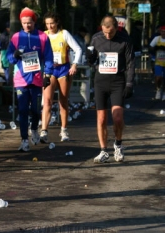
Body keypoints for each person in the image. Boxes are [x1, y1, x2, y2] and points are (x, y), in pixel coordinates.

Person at [86, 15, 135, 163]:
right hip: (100, 81)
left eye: (111, 33)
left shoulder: (124, 39)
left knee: (118, 117)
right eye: (105, 32)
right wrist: (89, 57)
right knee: (101, 119)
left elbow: (130, 64)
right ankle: (103, 151)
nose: (108, 36)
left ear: (116, 28)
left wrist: (129, 84)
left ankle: (118, 145)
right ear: (101, 28)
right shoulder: (96, 38)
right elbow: (91, 61)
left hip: (117, 82)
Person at [6, 8, 54, 151]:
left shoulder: (42, 37)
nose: (27, 25)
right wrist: (14, 55)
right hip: (21, 79)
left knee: (35, 109)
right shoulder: (15, 37)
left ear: (34, 22)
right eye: (24, 23)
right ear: (21, 22)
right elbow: (9, 58)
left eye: (30, 23)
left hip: (37, 79)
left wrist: (48, 74)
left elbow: (49, 57)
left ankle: (34, 129)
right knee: (22, 110)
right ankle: (24, 140)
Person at [40, 12, 82, 143]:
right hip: (49, 70)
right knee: (47, 101)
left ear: (57, 22)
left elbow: (78, 49)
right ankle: (44, 131)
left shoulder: (64, 34)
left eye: (52, 23)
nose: (50, 26)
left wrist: (75, 64)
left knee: (63, 101)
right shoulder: (43, 35)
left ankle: (64, 130)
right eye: (47, 24)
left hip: (63, 69)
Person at [149, 26, 165, 100]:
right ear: (160, 32)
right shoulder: (157, 38)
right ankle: (158, 90)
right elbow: (151, 47)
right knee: (158, 77)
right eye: (162, 31)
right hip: (158, 61)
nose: (163, 33)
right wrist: (156, 48)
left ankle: (164, 92)